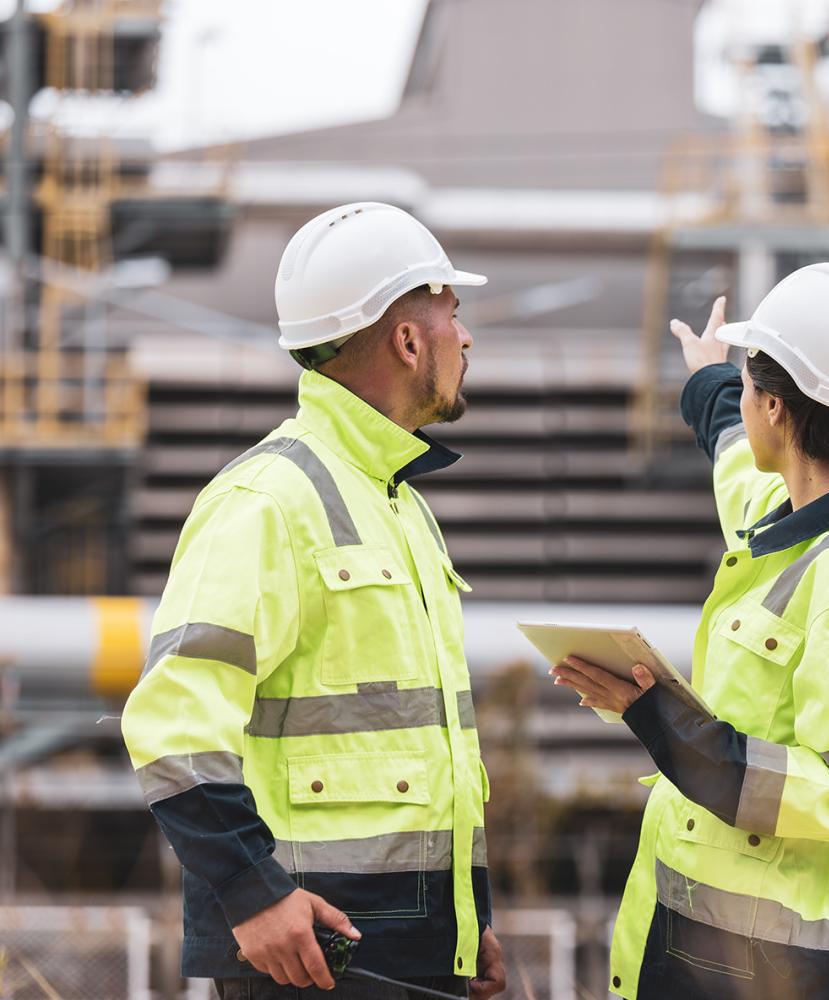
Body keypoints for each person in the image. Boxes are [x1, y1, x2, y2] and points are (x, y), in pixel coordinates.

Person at [121, 202, 507, 999]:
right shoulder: (267, 500)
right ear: (407, 341)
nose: (465, 339)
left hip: (406, 951)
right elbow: (172, 722)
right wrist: (252, 893)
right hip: (311, 955)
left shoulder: (397, 504)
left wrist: (464, 929)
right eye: (453, 316)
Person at [552, 263, 829, 1000]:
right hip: (718, 949)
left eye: (750, 394)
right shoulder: (798, 514)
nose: (745, 410)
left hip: (767, 968)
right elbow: (737, 465)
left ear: (779, 410)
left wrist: (661, 718)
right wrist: (710, 382)